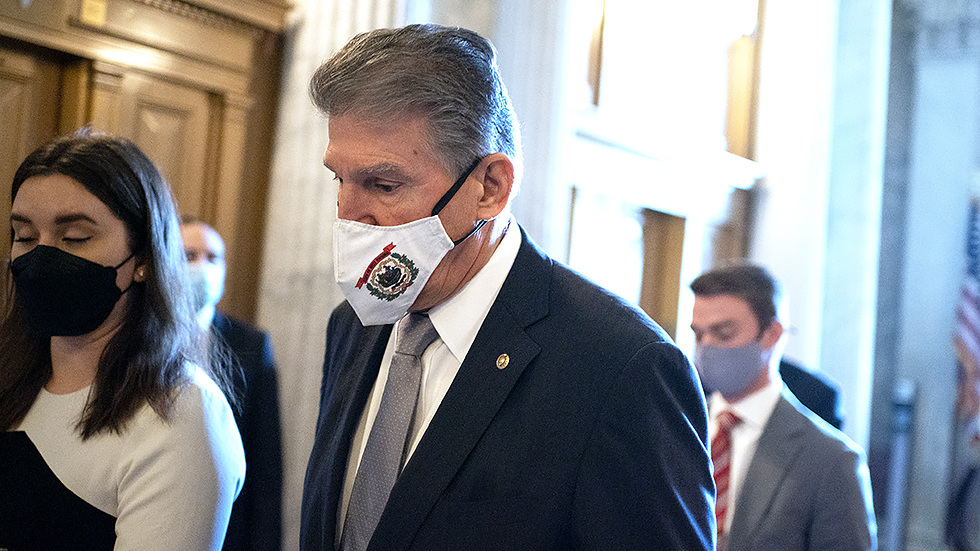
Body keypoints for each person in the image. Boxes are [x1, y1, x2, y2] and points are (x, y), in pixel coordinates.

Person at [299, 24, 714, 551]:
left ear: (490, 188)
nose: (349, 216)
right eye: (341, 180)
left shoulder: (620, 366)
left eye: (383, 185)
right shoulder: (355, 323)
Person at [0, 130, 245, 550]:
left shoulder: (180, 413)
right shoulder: (12, 376)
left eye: (74, 237)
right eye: (24, 236)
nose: (41, 256)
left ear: (144, 259)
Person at [689, 263, 877, 551]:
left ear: (772, 335)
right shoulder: (678, 427)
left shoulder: (832, 460)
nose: (707, 347)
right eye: (699, 335)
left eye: (724, 333)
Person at [181, 217, 283, 551]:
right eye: (189, 255)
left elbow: (266, 464)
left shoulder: (251, 344)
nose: (203, 266)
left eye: (212, 258)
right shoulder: (136, 339)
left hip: (230, 531)